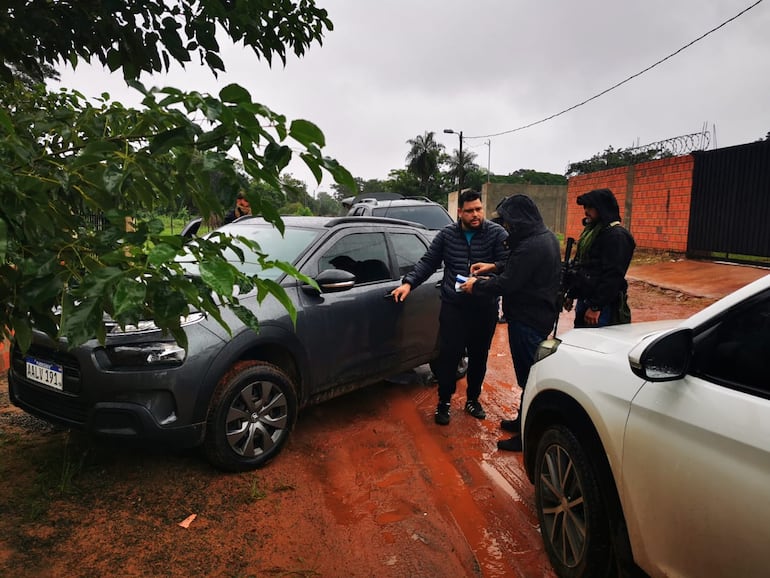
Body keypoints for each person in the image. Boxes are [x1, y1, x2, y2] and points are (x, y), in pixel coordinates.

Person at [391, 190, 508, 425]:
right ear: (459, 212)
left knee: (478, 357)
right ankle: (444, 402)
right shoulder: (447, 235)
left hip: (483, 307)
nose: (475, 215)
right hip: (454, 307)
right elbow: (428, 262)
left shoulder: (497, 234)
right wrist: (408, 283)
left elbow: (510, 264)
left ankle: (473, 400)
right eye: (470, 211)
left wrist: (491, 267)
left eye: (478, 209)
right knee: (448, 357)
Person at [460, 195, 561, 451]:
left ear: (519, 220)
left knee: (529, 378)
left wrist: (477, 285)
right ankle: (523, 421)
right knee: (529, 376)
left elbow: (509, 283)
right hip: (537, 316)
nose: (507, 228)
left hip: (528, 320)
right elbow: (515, 267)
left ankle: (527, 436)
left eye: (509, 222)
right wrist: (493, 266)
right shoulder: (543, 238)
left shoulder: (531, 246)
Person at [564, 188, 636, 327]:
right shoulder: (592, 233)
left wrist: (596, 306)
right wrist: (572, 293)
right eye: (585, 207)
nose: (586, 211)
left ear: (602, 209)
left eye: (590, 207)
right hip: (585, 299)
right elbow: (584, 267)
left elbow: (613, 276)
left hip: (602, 308)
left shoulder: (617, 236)